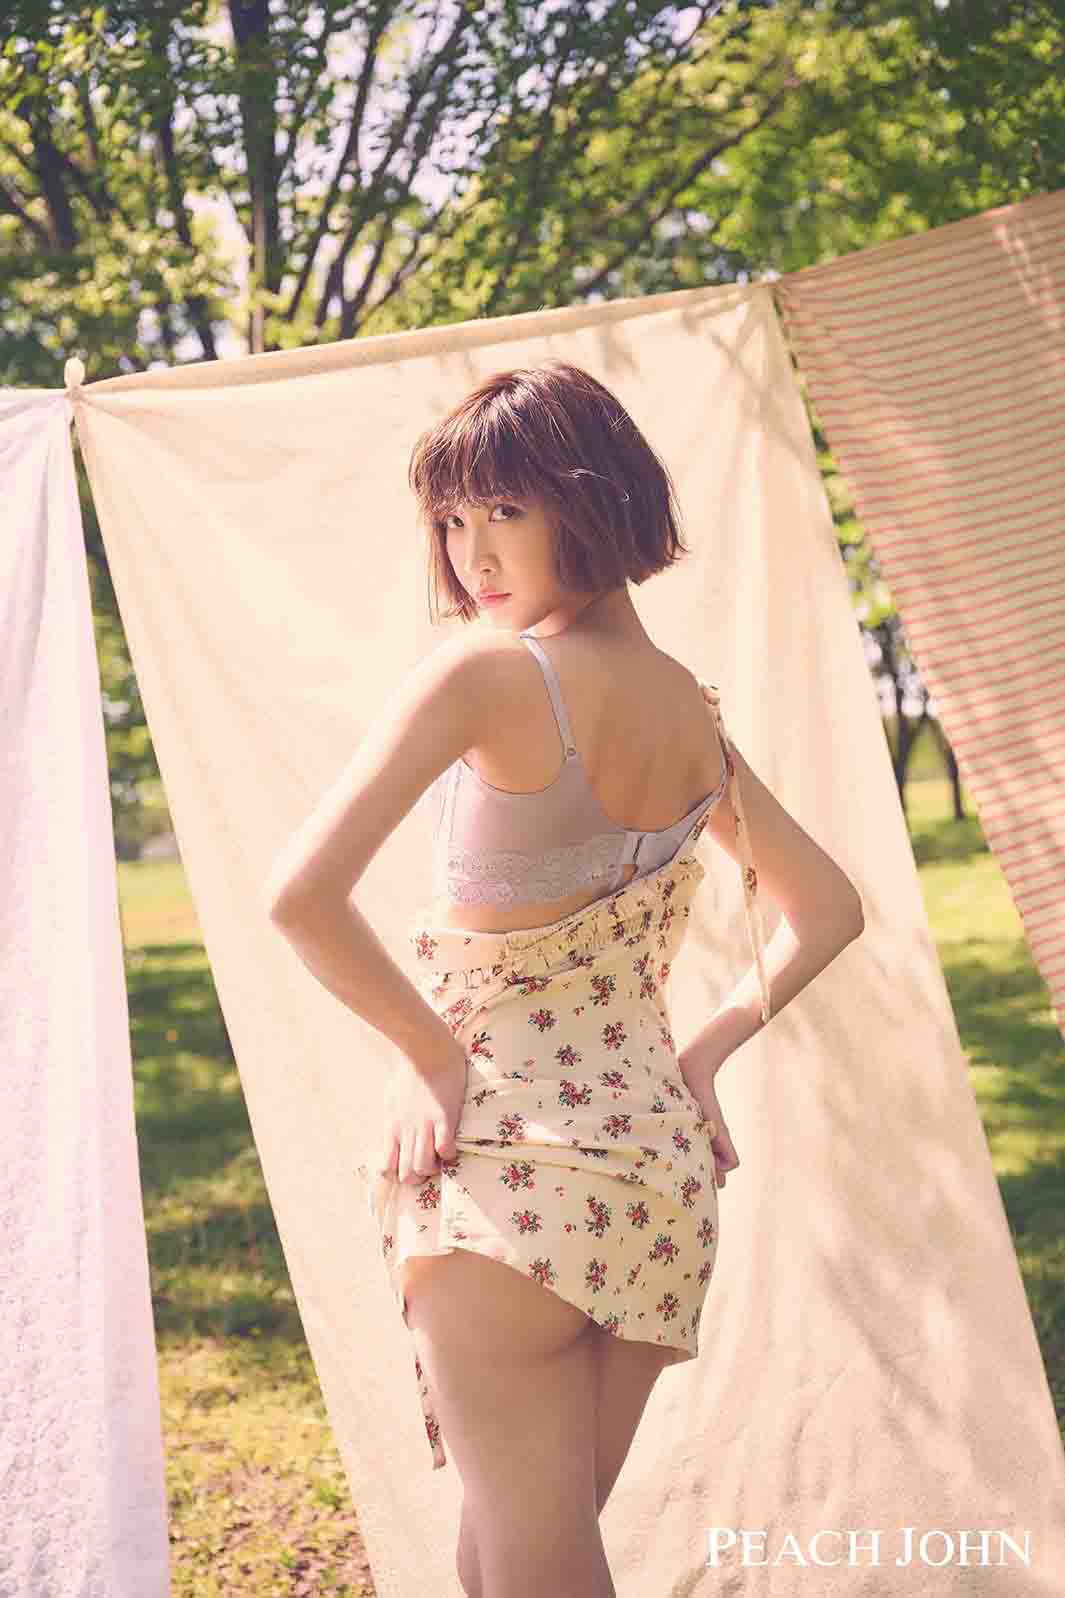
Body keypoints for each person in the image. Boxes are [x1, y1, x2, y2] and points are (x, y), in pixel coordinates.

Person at [270, 359, 865, 1598]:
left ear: (590, 501)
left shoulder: (486, 675)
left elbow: (301, 898)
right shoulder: (690, 712)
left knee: (531, 1557)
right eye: (453, 518)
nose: (473, 552)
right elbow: (827, 911)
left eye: (506, 509)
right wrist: (695, 1060)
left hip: (511, 1171)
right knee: (515, 1546)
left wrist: (433, 1052)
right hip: (657, 1176)